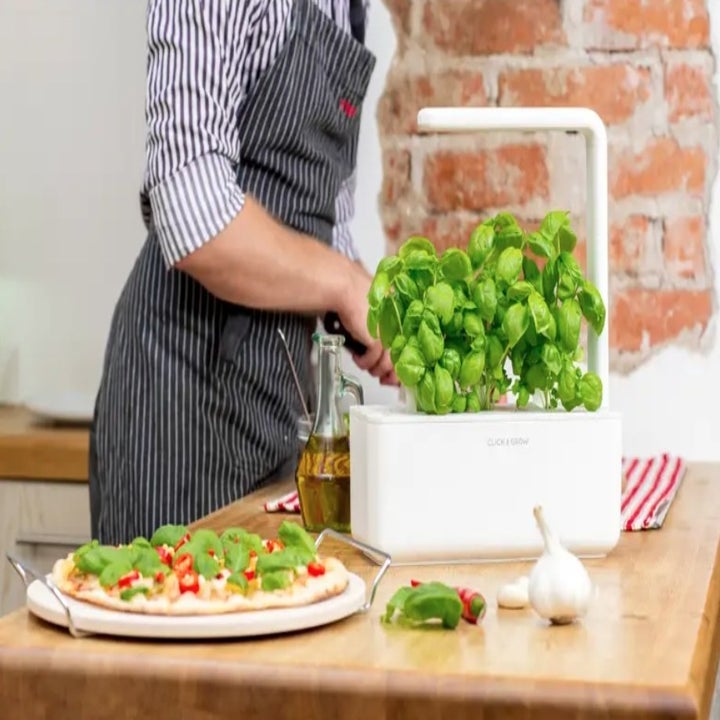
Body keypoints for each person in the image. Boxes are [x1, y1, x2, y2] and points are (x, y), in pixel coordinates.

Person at [89, 0, 397, 545]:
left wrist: (377, 313)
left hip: (276, 396)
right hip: (182, 403)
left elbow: (326, 213)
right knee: (178, 613)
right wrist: (345, 285)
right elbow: (191, 208)